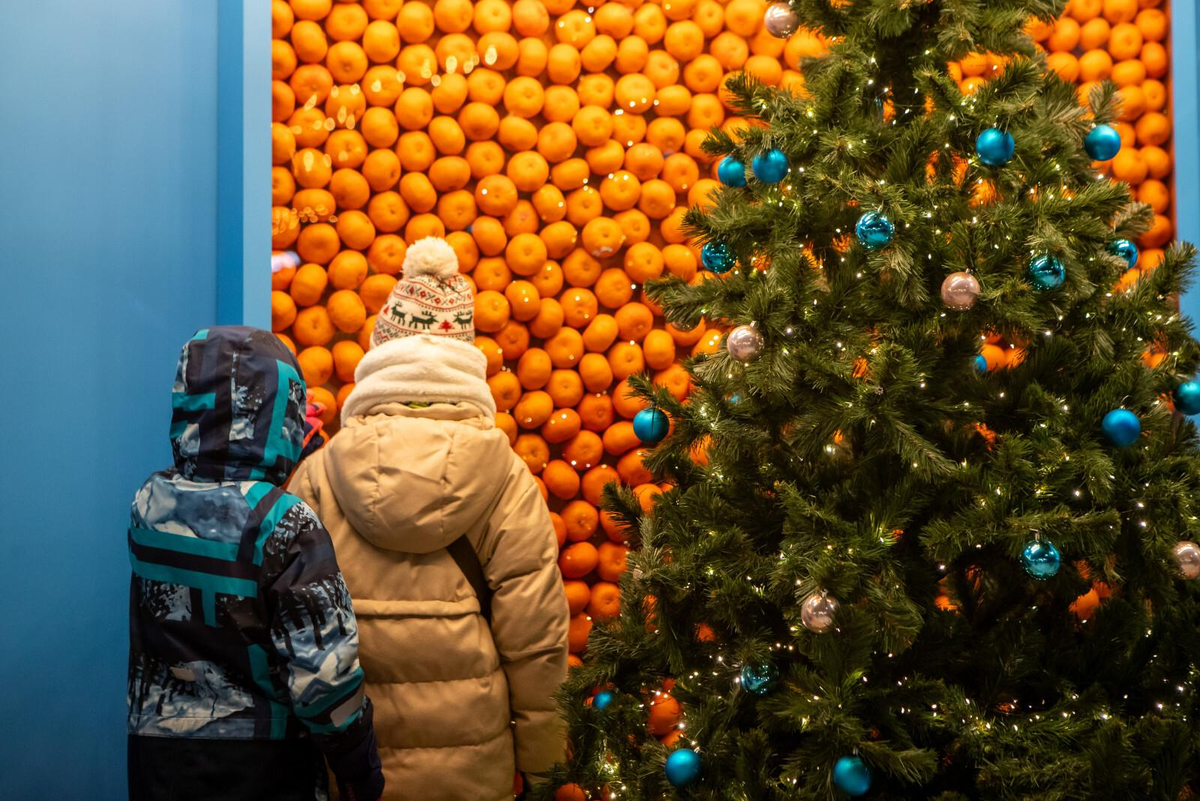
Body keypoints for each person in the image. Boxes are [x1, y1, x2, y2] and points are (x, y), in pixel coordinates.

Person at [290, 237, 570, 801]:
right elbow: (535, 636)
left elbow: (292, 630)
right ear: (465, 366)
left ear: (379, 361)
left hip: (350, 767)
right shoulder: (507, 478)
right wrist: (544, 769)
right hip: (472, 762)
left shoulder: (318, 475)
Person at [127, 326, 384, 801]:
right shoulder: (286, 523)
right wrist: (358, 765)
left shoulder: (148, 503)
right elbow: (325, 678)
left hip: (157, 753)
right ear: (282, 412)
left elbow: (217, 506)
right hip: (261, 762)